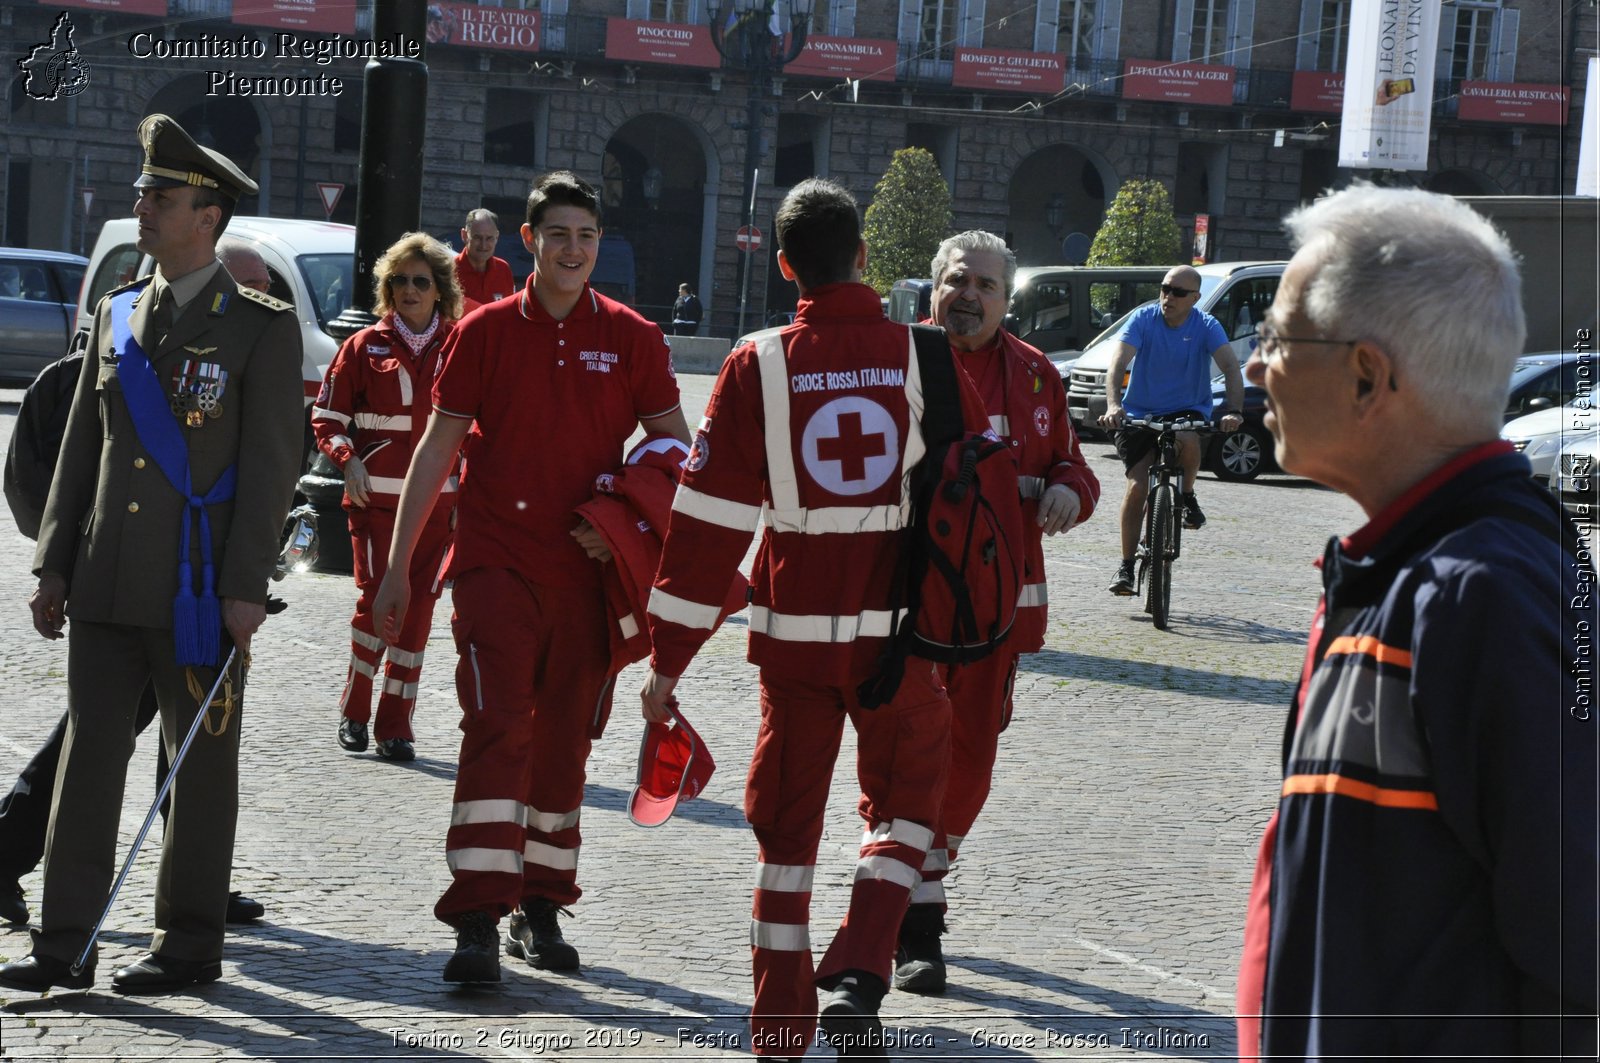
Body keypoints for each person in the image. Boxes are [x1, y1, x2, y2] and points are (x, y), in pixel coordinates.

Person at [1235, 184, 1597, 1059]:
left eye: (1278, 338)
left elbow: (1576, 946)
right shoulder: (1404, 570)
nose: (1253, 365)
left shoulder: (1474, 596)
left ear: (1368, 376)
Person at [640, 178, 991, 1061]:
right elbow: (973, 484)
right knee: (910, 807)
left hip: (794, 641)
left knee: (786, 837)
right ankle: (865, 971)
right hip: (899, 638)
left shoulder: (756, 361)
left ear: (787, 263)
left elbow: (708, 522)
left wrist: (667, 659)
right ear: (865, 255)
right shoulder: (927, 356)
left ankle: (782, 1030)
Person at [0, 115, 302, 995]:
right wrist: (56, 564)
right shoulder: (115, 313)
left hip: (200, 589)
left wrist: (246, 588)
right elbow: (81, 454)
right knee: (88, 763)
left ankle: (188, 942)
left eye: (159, 197)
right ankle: (65, 943)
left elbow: (274, 472)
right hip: (104, 580)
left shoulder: (257, 327)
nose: (142, 207)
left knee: (199, 768)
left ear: (206, 215)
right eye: (142, 193)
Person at [371, 171, 687, 985]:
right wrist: (400, 567)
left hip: (586, 578)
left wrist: (617, 516)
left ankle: (540, 904)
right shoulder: (480, 332)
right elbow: (435, 451)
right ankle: (476, 912)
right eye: (558, 235)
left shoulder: (633, 337)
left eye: (586, 235)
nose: (573, 250)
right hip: (493, 562)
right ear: (530, 242)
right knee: (497, 725)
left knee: (561, 748)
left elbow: (673, 454)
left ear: (598, 244)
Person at [891, 230, 1101, 995]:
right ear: (933, 289)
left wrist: (1071, 491)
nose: (968, 295)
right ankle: (917, 916)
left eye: (984, 284)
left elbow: (1072, 462)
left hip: (991, 616)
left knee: (969, 762)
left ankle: (917, 874)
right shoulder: (899, 363)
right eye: (955, 280)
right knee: (907, 747)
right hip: (905, 604)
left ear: (1008, 300)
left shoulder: (1037, 377)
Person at [313, 233, 464, 764]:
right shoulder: (361, 346)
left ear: (440, 289)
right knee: (377, 606)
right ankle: (355, 711)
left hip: (438, 511)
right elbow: (328, 416)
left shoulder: (459, 344)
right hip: (375, 504)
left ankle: (395, 725)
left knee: (418, 615)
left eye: (420, 281)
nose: (408, 290)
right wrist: (347, 458)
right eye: (398, 280)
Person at [1098, 265, 1243, 595]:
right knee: (1137, 486)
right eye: (1164, 288)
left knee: (1187, 437)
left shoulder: (1206, 326)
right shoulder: (1143, 320)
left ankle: (1187, 495)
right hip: (1138, 413)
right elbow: (1118, 363)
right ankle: (1125, 566)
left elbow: (1232, 368)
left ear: (1195, 297)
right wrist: (1113, 405)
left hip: (1186, 409)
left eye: (1178, 292)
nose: (1168, 296)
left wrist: (1233, 411)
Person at [454, 208, 514, 312]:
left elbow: (509, 313)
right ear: (464, 235)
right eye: (477, 237)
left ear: (497, 237)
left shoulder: (503, 269)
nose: (483, 245)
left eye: (489, 238)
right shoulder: (449, 271)